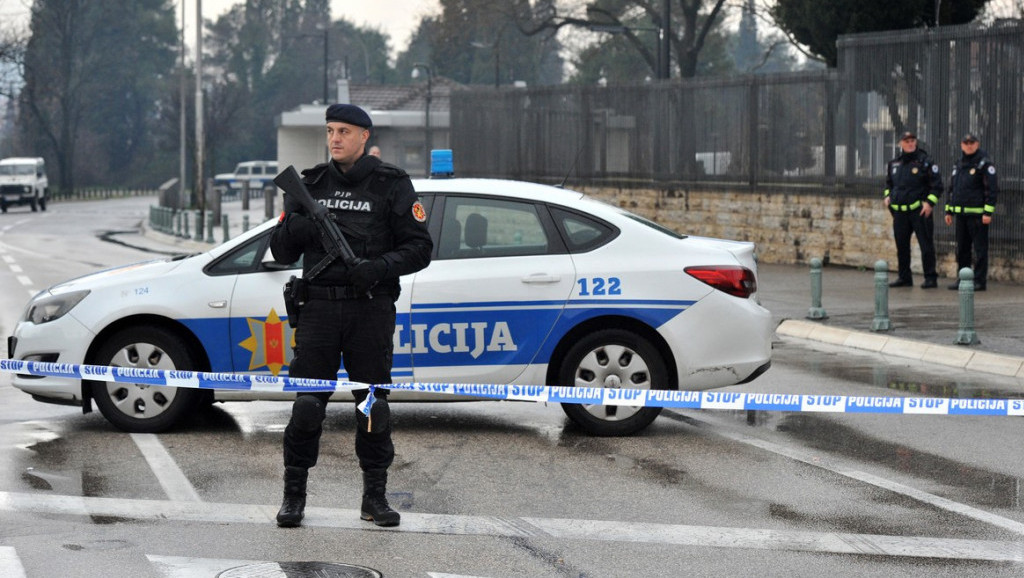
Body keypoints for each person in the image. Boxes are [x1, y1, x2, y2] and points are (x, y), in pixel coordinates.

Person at [269, 103, 433, 528]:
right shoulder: (309, 185)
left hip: (369, 308)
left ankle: (374, 498)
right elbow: (281, 251)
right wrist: (298, 228)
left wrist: (378, 267)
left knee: (373, 406)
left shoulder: (391, 184)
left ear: (364, 137)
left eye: (344, 131)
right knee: (307, 406)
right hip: (318, 308)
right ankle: (293, 497)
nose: (335, 139)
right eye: (330, 131)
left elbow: (420, 248)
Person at [883, 131, 942, 288]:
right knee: (901, 245)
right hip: (900, 212)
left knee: (926, 245)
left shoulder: (925, 162)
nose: (910, 143)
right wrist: (887, 196)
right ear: (900, 143)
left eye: (912, 140)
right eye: (906, 141)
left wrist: (929, 203)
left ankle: (930, 277)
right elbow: (889, 184)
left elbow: (937, 186)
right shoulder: (894, 163)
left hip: (919, 211)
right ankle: (904, 277)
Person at [944, 133, 997, 291]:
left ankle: (980, 281)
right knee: (962, 249)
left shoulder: (984, 164)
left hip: (978, 216)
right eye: (966, 143)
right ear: (961, 145)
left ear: (977, 144)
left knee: (980, 249)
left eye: (972, 143)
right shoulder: (959, 163)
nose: (969, 145)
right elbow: (952, 188)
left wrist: (988, 213)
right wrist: (948, 210)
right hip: (961, 215)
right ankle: (963, 278)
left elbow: (991, 190)